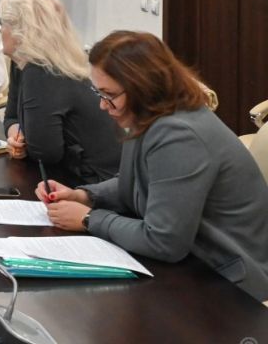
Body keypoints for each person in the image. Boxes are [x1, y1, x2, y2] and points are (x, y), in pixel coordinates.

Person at [37, 31, 268, 301]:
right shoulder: (152, 114)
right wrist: (85, 196)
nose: (102, 105)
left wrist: (89, 220)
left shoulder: (180, 135)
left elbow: (164, 241)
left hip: (233, 287)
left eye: (109, 95)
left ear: (141, 87)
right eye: (98, 92)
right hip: (196, 266)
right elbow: (138, 181)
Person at [0, 0, 121, 183]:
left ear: (22, 33)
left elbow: (45, 153)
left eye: (5, 24)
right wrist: (15, 135)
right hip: (69, 172)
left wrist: (25, 146)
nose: (0, 30)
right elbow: (11, 117)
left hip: (93, 181)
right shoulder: (23, 64)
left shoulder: (42, 71)